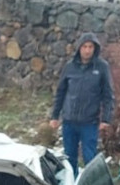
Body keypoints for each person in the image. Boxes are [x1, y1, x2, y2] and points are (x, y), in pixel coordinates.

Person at [49, 31, 115, 175]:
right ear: (79, 48)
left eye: (90, 47)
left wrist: (106, 118)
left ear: (95, 49)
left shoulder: (102, 67)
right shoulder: (69, 67)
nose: (87, 50)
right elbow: (60, 92)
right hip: (69, 121)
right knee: (69, 158)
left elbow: (108, 95)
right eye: (84, 47)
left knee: (89, 158)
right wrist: (55, 116)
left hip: (89, 122)